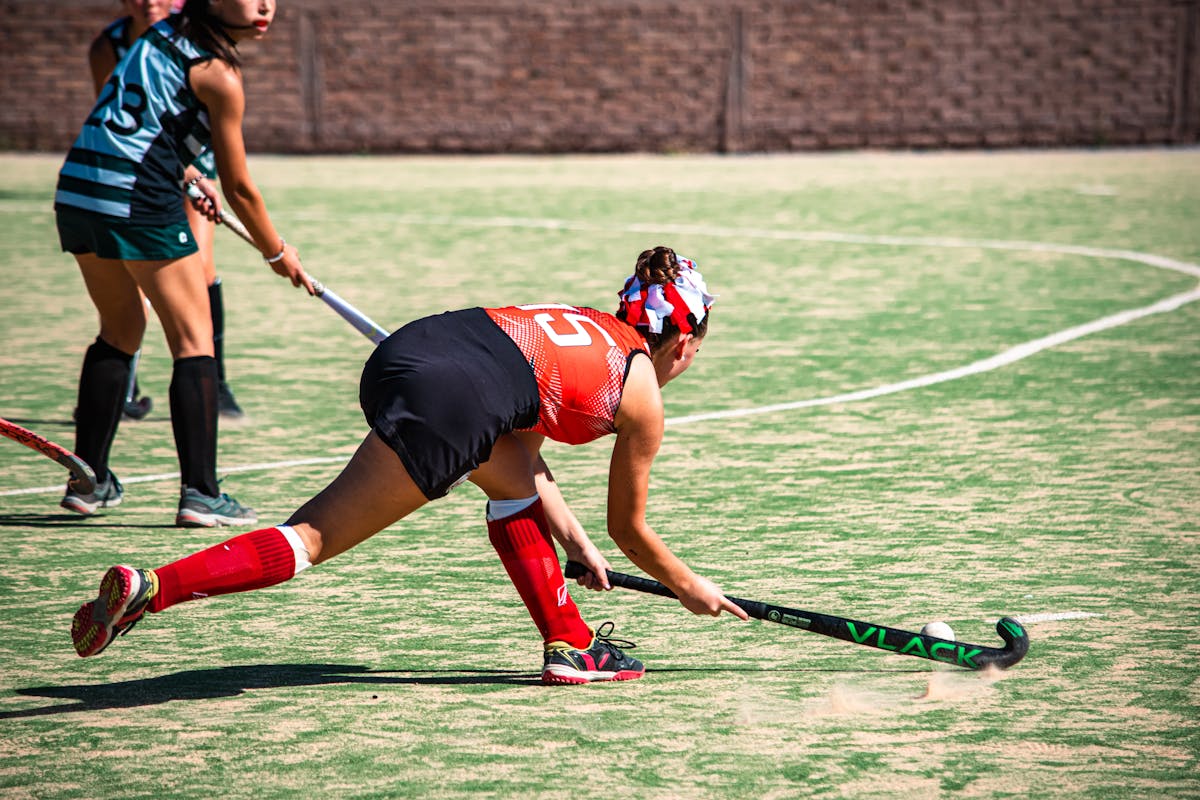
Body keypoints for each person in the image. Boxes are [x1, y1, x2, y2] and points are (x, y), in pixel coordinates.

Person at [70, 247, 750, 685]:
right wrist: (690, 585)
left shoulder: (585, 322)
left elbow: (522, 458)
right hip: (456, 399)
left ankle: (570, 643)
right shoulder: (642, 396)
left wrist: (573, 541)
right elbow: (629, 531)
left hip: (413, 351)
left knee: (508, 487)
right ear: (683, 343)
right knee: (312, 537)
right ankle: (154, 587)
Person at [55, 0, 311, 527]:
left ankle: (88, 482)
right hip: (137, 201)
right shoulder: (219, 73)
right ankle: (201, 493)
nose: (265, 6)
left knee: (120, 329)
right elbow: (241, 187)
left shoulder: (161, 34)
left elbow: (139, 123)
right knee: (195, 343)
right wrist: (278, 252)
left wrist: (189, 173)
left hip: (79, 191)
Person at [88, 0, 245, 421]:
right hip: (139, 169)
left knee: (202, 266)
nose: (150, 2)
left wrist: (189, 173)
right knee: (136, 274)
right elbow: (116, 120)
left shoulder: (196, 39)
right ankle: (125, 384)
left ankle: (219, 385)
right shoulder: (110, 45)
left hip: (193, 160)